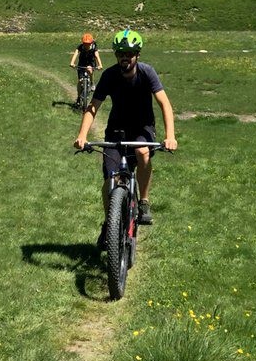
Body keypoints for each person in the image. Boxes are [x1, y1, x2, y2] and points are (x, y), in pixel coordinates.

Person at [74, 28, 177, 235]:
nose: (125, 57)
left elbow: (164, 103)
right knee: (110, 179)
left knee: (142, 153)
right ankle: (108, 224)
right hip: (116, 130)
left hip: (143, 128)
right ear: (116, 54)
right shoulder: (110, 76)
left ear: (137, 55)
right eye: (121, 53)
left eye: (129, 54)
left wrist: (170, 136)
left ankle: (144, 201)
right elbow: (93, 106)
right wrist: (82, 135)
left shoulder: (147, 72)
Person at [68, 32, 103, 103]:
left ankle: (92, 83)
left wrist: (100, 65)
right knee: (80, 81)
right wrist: (72, 62)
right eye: (85, 43)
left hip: (91, 62)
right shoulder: (80, 47)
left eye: (88, 43)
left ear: (91, 43)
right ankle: (78, 97)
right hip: (82, 63)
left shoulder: (94, 47)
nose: (86, 45)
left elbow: (97, 56)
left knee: (89, 69)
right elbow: (75, 54)